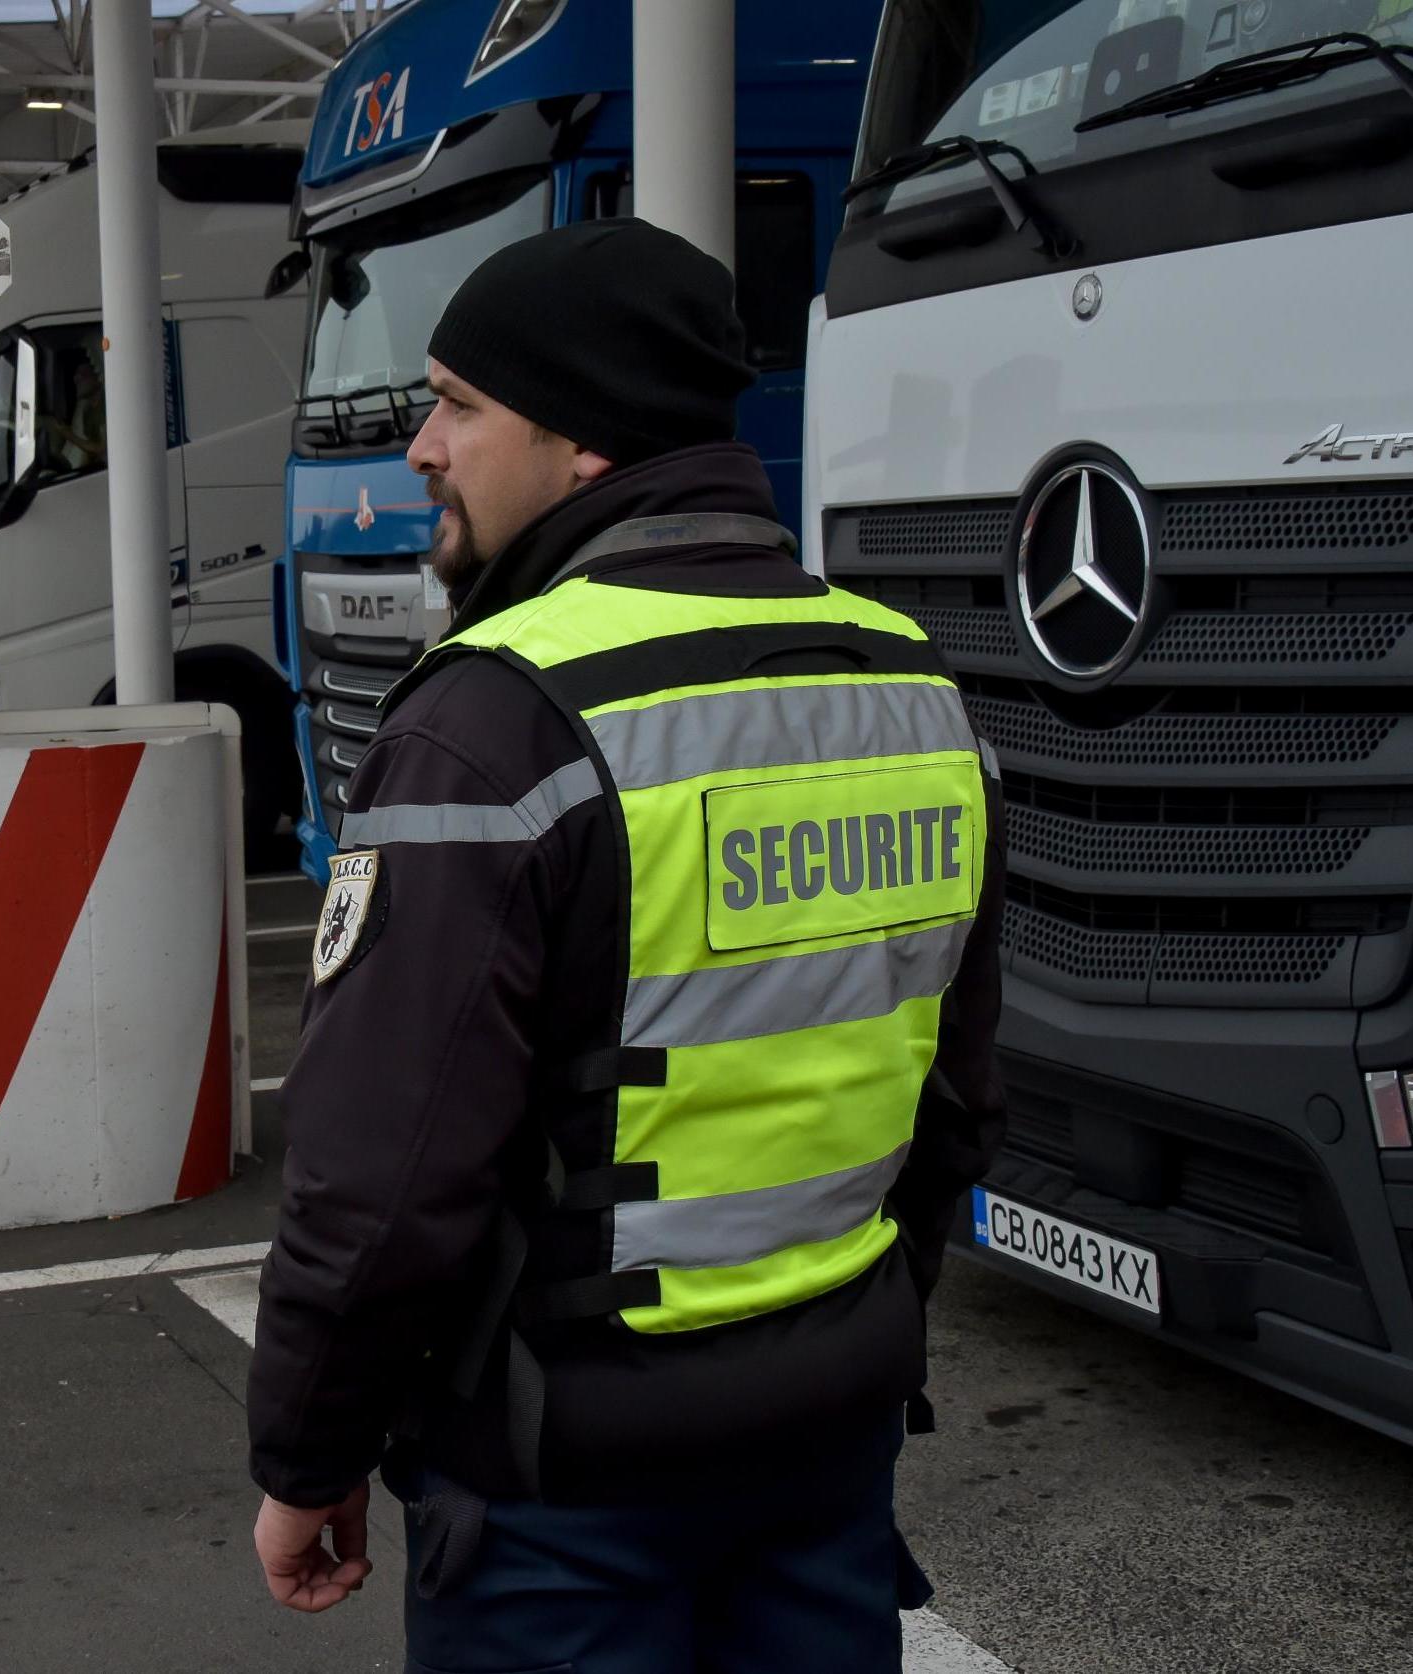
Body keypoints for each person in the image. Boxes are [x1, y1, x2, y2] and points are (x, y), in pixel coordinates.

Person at [246, 220, 1006, 1672]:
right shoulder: (913, 686)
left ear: (581, 441)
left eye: (459, 403)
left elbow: (385, 1181)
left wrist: (307, 1449)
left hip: (564, 1486)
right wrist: (850, 1335)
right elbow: (956, 1103)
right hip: (827, 1446)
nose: (422, 447)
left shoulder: (494, 721)